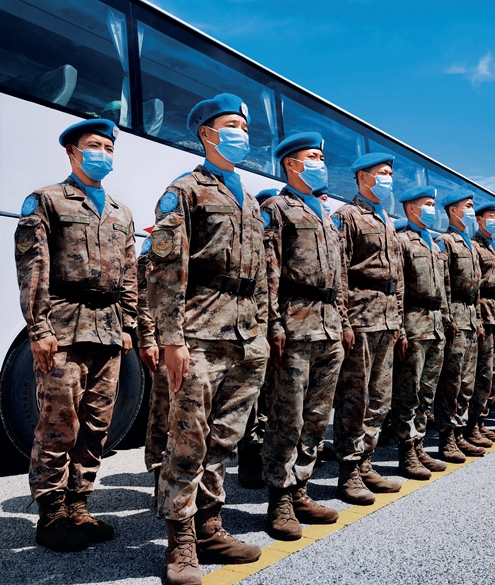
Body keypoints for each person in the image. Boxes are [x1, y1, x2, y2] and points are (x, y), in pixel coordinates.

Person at [148, 94, 268, 584]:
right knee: (188, 441)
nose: (241, 133)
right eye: (231, 124)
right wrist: (171, 339)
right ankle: (180, 543)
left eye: (245, 126)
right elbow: (165, 268)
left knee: (224, 439)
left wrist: (263, 332)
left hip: (246, 337)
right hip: (199, 334)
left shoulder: (251, 200)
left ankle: (210, 527)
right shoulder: (184, 191)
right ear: (207, 133)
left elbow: (262, 274)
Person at [15, 118, 137, 552]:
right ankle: (51, 516)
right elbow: (33, 268)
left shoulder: (121, 212)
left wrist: (129, 324)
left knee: (96, 426)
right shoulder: (47, 200)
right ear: (72, 151)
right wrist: (39, 328)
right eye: (94, 146)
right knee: (58, 426)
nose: (103, 154)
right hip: (64, 328)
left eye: (109, 147)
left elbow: (130, 273)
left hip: (108, 331)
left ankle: (78, 505)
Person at [261, 131, 350, 540]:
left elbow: (340, 277)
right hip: (295, 324)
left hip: (329, 325)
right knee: (288, 417)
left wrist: (344, 321)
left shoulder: (325, 215)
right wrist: (273, 324)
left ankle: (300, 489)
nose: (320, 164)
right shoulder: (276, 209)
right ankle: (279, 499)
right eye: (312, 157)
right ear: (291, 164)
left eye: (321, 157)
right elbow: (269, 271)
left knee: (316, 418)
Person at [332, 152, 404, 503]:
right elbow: (340, 272)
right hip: (360, 318)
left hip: (386, 319)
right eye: (383, 172)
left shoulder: (387, 219)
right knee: (355, 399)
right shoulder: (347, 216)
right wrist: (344, 320)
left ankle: (365, 463)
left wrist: (398, 320)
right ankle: (348, 473)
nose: (389, 179)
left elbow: (397, 277)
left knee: (379, 399)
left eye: (390, 173)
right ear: (363, 177)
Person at [392, 186, 449, 479]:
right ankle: (406, 452)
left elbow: (444, 288)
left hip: (435, 325)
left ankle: (419, 446)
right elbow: (398, 288)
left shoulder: (434, 245)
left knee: (427, 392)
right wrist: (400, 329)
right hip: (414, 323)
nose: (432, 210)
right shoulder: (403, 241)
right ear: (412, 209)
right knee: (409, 391)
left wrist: (447, 320)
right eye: (427, 204)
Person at [434, 189, 487, 461]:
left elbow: (476, 289)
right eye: (468, 206)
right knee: (451, 382)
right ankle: (446, 440)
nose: (471, 211)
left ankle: (459, 433)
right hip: (455, 317)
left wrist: (478, 320)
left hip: (470, 317)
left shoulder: (469, 244)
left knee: (467, 382)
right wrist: (447, 318)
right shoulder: (445, 242)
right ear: (453, 211)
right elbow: (442, 283)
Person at [238, 188, 280, 490]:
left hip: (262, 327)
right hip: (241, 328)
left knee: (268, 398)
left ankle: (263, 452)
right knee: (250, 401)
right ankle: (249, 457)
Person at [468, 201, 495, 446]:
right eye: (492, 215)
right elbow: (473, 286)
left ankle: (481, 422)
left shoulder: (494, 248)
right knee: (482, 375)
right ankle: (471, 426)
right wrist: (476, 319)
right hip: (483, 313)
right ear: (479, 219)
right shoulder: (474, 246)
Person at [136, 230, 170, 508]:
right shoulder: (161, 238)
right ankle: (160, 478)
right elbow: (144, 292)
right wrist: (148, 338)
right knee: (163, 411)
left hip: (199, 336)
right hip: (165, 338)